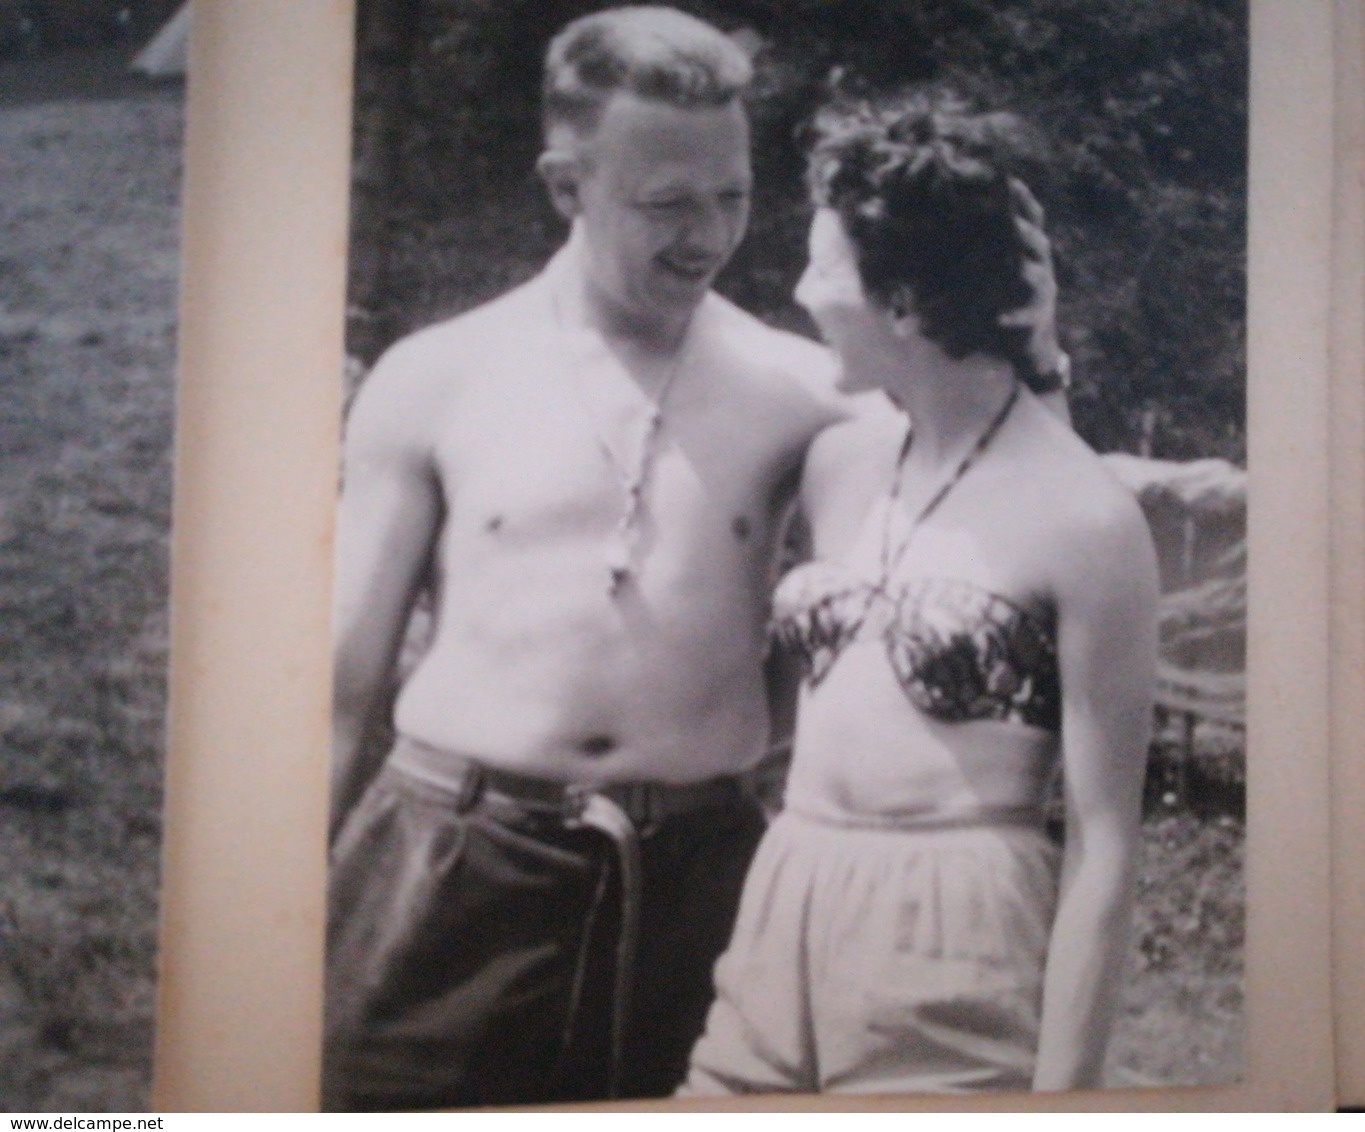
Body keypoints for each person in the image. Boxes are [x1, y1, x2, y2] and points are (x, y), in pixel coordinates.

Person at [321, 7, 1070, 1111]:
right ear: (564, 182)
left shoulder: (805, 391)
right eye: (665, 202)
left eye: (730, 195)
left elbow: (1016, 514)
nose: (706, 233)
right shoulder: (435, 377)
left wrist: (1036, 351)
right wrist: (275, 922)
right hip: (452, 865)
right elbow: (339, 696)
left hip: (700, 884)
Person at [681, 91, 1158, 1096]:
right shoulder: (836, 460)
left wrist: (1061, 1097)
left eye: (822, 267)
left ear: (900, 303)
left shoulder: (1088, 519)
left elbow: (1105, 845)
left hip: (954, 939)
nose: (801, 292)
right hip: (784, 901)